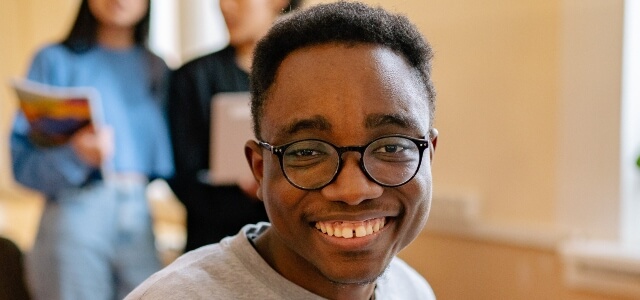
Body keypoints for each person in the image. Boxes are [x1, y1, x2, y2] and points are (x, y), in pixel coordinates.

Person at [126, 1, 438, 299]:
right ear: (260, 169)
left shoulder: (412, 290)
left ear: (430, 156)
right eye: (307, 152)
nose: (352, 189)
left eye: (392, 146)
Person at [10, 0, 173, 299]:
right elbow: (21, 165)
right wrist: (75, 156)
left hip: (139, 215)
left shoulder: (158, 69)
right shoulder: (54, 60)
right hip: (74, 213)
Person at [167, 0, 303, 252]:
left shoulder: (309, 76)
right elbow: (181, 174)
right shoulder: (192, 77)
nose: (226, 7)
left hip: (293, 245)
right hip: (213, 246)